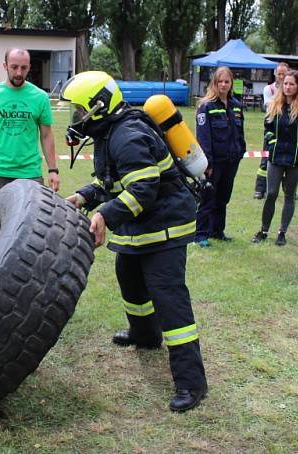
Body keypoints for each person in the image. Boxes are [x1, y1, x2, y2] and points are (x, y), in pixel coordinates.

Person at [62, 71, 208, 413]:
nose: (76, 119)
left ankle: (192, 383)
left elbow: (143, 188)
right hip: (142, 221)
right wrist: (83, 197)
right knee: (128, 274)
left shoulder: (126, 134)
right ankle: (144, 334)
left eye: (79, 111)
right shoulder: (107, 132)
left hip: (165, 223)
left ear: (99, 106)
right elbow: (110, 180)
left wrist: (105, 216)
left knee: (168, 297)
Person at [0, 48, 59, 199]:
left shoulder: (40, 97)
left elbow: (46, 135)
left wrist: (53, 170)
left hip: (30, 173)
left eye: (23, 68)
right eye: (14, 67)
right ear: (5, 66)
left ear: (29, 67)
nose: (18, 73)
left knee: (32, 221)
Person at [251, 69, 298, 246]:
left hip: (297, 159)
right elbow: (267, 128)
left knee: (289, 195)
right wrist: (271, 141)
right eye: (286, 84)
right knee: (272, 193)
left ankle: (282, 233)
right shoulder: (275, 105)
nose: (288, 87)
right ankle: (264, 230)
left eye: (292, 84)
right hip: (276, 156)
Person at [194, 66, 246, 247]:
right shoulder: (206, 107)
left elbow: (240, 133)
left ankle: (218, 231)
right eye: (220, 81)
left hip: (232, 160)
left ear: (231, 83)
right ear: (214, 83)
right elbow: (203, 138)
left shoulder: (236, 106)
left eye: (227, 81)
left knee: (223, 197)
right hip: (213, 162)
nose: (223, 85)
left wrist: (241, 152)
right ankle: (201, 234)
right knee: (208, 197)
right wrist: (207, 163)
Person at [254, 62, 289, 199]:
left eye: (284, 74)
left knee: (288, 159)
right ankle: (259, 189)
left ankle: (289, 189)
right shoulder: (268, 89)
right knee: (266, 158)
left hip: (288, 128)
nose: (281, 77)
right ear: (275, 74)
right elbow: (270, 106)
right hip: (272, 126)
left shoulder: (293, 88)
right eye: (279, 74)